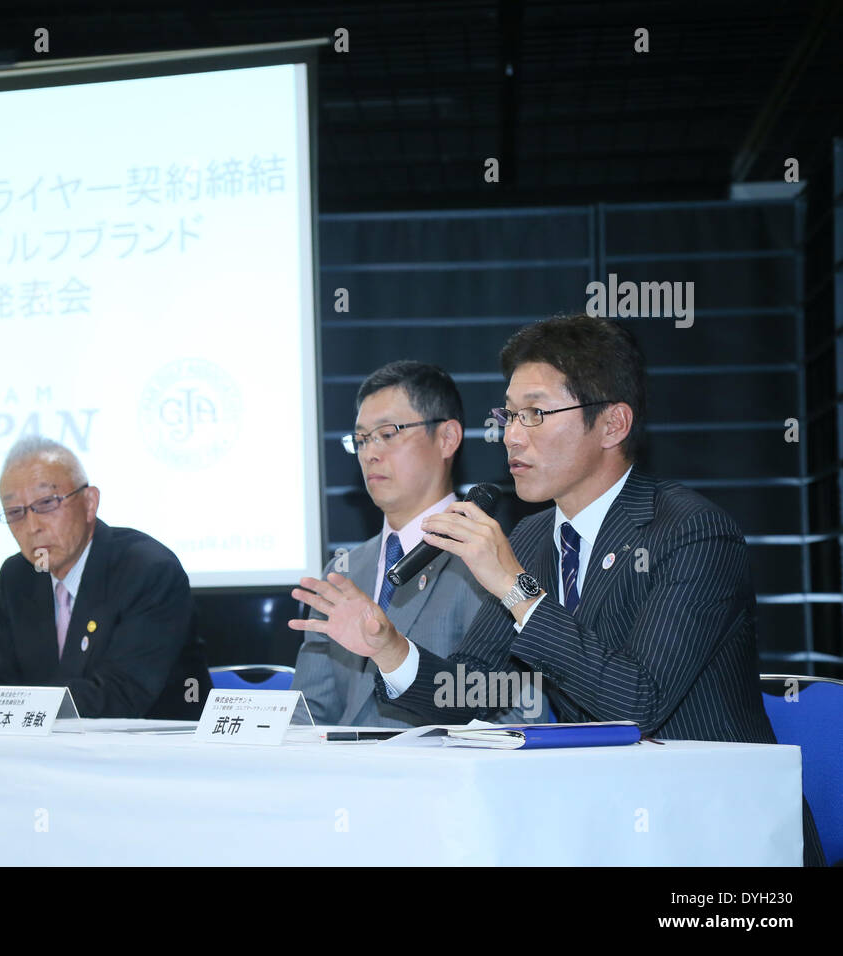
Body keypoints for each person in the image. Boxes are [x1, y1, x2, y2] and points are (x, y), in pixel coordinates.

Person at [289, 313, 824, 865]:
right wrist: (389, 648)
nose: (511, 435)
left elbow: (637, 704)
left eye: (537, 414)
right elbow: (474, 693)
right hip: (599, 823)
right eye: (510, 415)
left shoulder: (690, 532)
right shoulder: (535, 536)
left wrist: (516, 588)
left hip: (715, 830)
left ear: (613, 424)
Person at [293, 360, 544, 726]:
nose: (370, 453)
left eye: (388, 433)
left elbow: (520, 716)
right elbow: (308, 712)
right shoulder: (344, 572)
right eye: (362, 439)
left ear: (447, 438)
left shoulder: (493, 563)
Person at [0, 437, 210, 720]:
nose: (33, 526)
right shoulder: (21, 576)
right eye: (15, 513)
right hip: (52, 756)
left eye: (47, 503)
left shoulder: (147, 571)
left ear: (90, 503)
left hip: (158, 753)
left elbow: (120, 696)